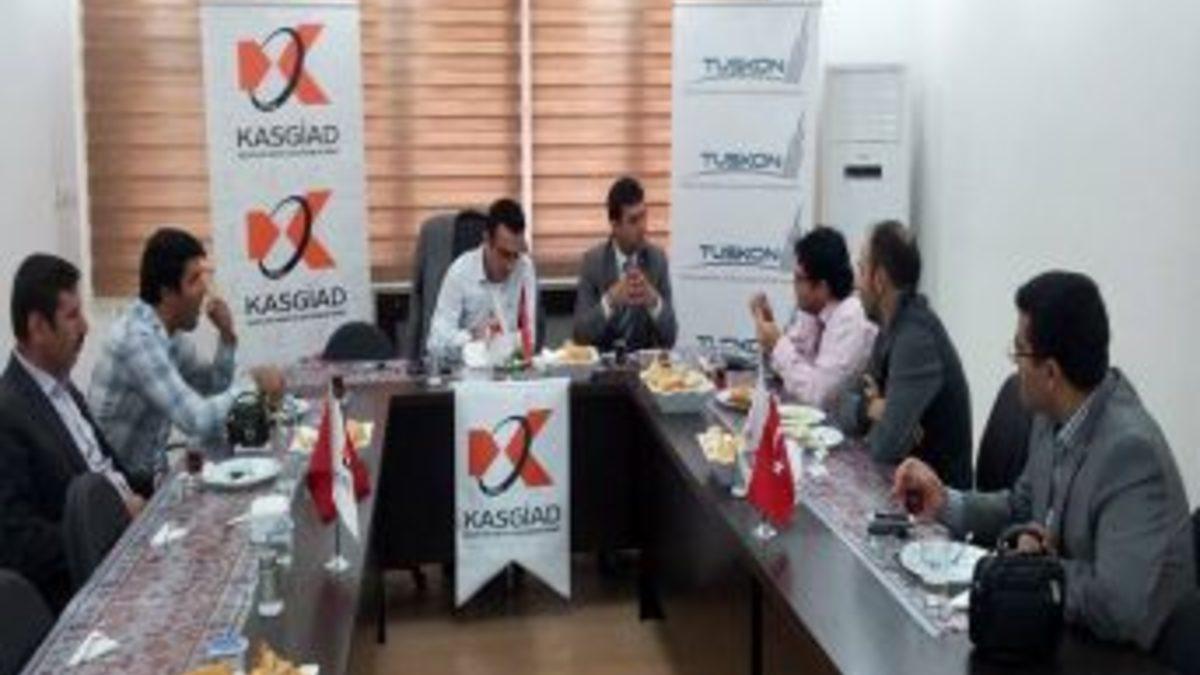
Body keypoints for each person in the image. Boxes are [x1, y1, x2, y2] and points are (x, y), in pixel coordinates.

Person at [892, 271, 1194, 649]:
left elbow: (1117, 607)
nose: (1014, 364)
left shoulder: (1130, 455)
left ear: (1051, 373)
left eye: (1019, 352)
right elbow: (1020, 506)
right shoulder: (1052, 416)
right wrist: (945, 502)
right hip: (1065, 626)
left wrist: (1037, 569)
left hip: (1131, 655)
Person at [89, 228, 284, 493]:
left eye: (203, 277)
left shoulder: (169, 335)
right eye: (194, 279)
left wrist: (226, 337)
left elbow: (214, 388)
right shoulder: (137, 340)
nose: (205, 289)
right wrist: (254, 385)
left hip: (150, 478)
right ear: (167, 292)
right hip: (119, 491)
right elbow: (197, 420)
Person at [0, 254, 142, 611]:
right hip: (89, 587)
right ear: (38, 326)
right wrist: (114, 519)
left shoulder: (64, 388)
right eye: (73, 315)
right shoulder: (8, 412)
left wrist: (157, 484)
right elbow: (18, 543)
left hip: (132, 541)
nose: (86, 327)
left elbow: (109, 469)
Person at [838, 220, 973, 488]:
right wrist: (871, 407)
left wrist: (876, 413)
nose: (856, 283)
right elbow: (843, 404)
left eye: (861, 270)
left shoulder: (916, 340)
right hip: (901, 485)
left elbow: (885, 447)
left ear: (879, 280)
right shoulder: (891, 327)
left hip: (934, 503)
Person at [748, 226, 876, 409]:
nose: (794, 286)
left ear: (822, 287)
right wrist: (769, 336)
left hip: (838, 424)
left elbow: (817, 396)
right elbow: (786, 374)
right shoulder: (812, 312)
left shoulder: (851, 319)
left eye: (799, 279)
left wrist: (777, 345)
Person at [426, 198, 538, 362]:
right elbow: (435, 343)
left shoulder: (524, 267)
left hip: (510, 368)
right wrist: (473, 336)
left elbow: (530, 337)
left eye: (516, 254)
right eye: (504, 254)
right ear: (487, 240)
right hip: (468, 369)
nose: (511, 265)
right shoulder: (460, 272)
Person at [573, 176, 677, 351]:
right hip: (605, 365)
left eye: (644, 216)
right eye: (634, 220)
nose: (643, 227)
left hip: (645, 366)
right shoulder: (592, 263)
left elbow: (670, 337)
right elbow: (580, 336)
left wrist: (654, 302)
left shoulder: (657, 260)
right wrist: (610, 301)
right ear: (615, 226)